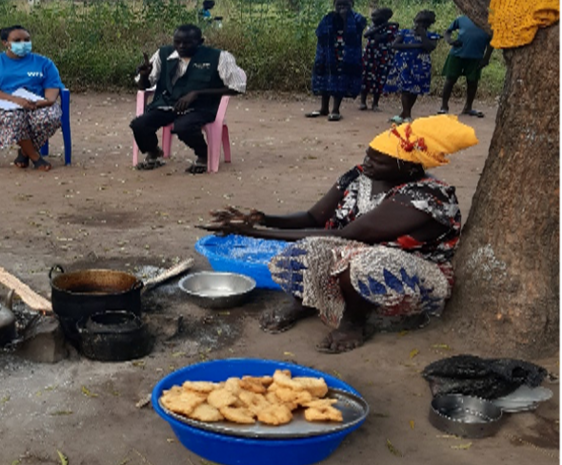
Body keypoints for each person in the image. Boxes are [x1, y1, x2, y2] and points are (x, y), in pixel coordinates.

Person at [202, 115, 478, 353]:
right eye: (368, 155)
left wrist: (254, 232)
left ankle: (354, 323)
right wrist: (261, 218)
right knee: (305, 251)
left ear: (408, 167)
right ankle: (305, 302)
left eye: (378, 161)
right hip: (354, 253)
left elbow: (348, 234)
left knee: (362, 263)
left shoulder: (427, 196)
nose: (368, 163)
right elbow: (313, 218)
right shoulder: (359, 176)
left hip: (415, 273)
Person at [131, 23, 246, 174]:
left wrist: (197, 93)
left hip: (201, 107)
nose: (181, 46)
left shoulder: (218, 57)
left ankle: (204, 155)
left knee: (183, 127)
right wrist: (144, 76)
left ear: (200, 42)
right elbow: (144, 86)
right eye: (177, 42)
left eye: (187, 43)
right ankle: (153, 152)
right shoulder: (163, 54)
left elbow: (237, 87)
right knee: (139, 125)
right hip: (168, 104)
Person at [0, 25, 63, 172]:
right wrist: (15, 100)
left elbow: (53, 87)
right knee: (13, 119)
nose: (23, 43)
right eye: (17, 40)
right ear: (5, 43)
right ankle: (35, 157)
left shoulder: (44, 63)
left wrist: (45, 102)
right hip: (5, 106)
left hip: (36, 104)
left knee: (51, 117)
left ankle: (24, 152)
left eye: (27, 40)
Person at [306, 0, 366, 122]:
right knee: (326, 80)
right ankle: (324, 108)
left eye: (345, 5)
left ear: (351, 5)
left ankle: (335, 110)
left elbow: (359, 29)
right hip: (328, 54)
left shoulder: (357, 19)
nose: (342, 7)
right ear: (334, 5)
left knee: (340, 82)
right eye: (339, 5)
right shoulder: (329, 18)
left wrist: (346, 18)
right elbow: (319, 33)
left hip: (346, 55)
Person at [382, 10, 440, 124]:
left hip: (421, 66)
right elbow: (394, 45)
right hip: (404, 64)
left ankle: (404, 114)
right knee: (405, 89)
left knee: (415, 90)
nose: (420, 25)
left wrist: (423, 35)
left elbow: (429, 48)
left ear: (429, 24)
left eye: (424, 23)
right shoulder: (404, 33)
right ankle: (407, 115)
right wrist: (417, 46)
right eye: (419, 22)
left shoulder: (431, 36)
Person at [438, 15, 492, 118]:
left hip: (476, 57)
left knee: (472, 82)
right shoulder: (462, 19)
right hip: (457, 54)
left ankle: (468, 107)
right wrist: (450, 41)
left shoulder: (488, 22)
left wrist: (486, 58)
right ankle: (444, 106)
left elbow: (491, 42)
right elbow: (447, 31)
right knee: (450, 80)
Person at [358, 7, 399, 112]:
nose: (373, 18)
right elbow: (366, 35)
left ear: (385, 17)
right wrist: (383, 26)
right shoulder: (379, 26)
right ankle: (363, 102)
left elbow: (379, 38)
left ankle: (375, 103)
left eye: (375, 16)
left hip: (384, 56)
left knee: (380, 79)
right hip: (370, 55)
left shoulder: (392, 29)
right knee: (365, 78)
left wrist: (381, 27)